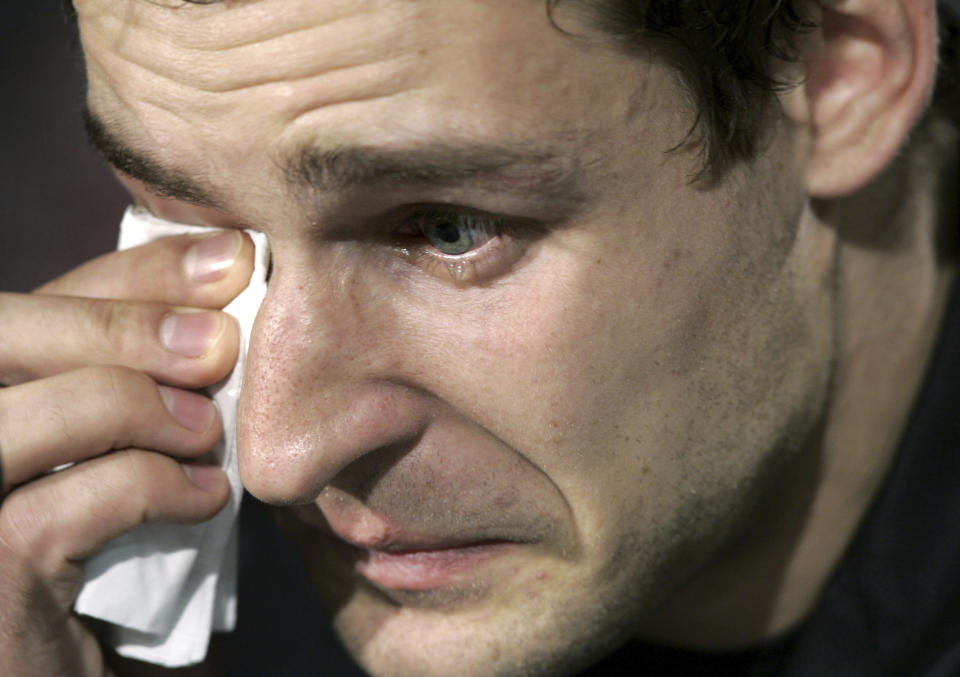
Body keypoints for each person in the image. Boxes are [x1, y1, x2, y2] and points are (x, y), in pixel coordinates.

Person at [1, 0, 958, 675]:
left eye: (448, 228)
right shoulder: (92, 602)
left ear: (835, 74)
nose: (279, 456)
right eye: (201, 237)